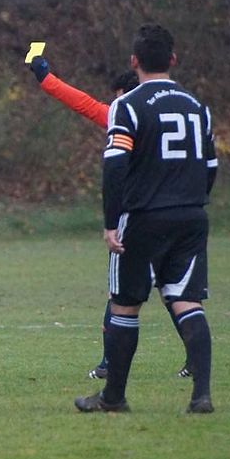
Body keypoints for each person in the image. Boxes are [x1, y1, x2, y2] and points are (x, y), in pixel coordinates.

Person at [75, 24, 217, 414]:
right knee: (186, 301)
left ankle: (113, 397)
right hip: (191, 216)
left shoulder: (128, 105)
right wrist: (193, 200)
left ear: (134, 61)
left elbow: (115, 165)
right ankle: (201, 395)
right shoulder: (197, 106)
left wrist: (111, 221)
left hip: (143, 217)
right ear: (173, 59)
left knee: (124, 304)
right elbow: (211, 166)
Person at [29, 56, 191, 380]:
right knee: (172, 290)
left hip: (139, 218)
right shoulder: (172, 119)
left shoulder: (127, 116)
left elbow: (84, 104)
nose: (115, 106)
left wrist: (46, 78)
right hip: (176, 214)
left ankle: (109, 363)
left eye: (118, 99)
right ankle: (196, 359)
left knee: (120, 294)